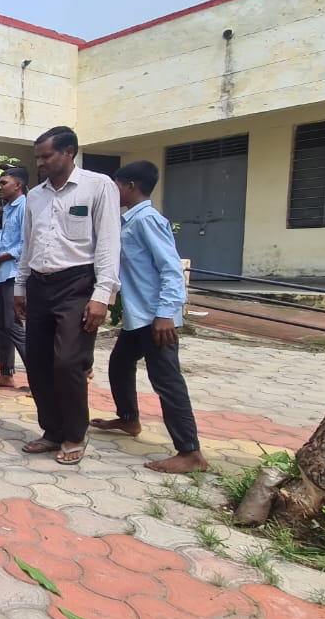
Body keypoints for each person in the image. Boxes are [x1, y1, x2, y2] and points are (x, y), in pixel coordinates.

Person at [90, 162, 206, 474]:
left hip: (156, 318)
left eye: (115, 185)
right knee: (119, 363)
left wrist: (166, 314)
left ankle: (190, 453)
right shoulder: (128, 221)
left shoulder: (148, 220)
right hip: (138, 317)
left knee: (168, 383)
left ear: (129, 186)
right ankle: (129, 419)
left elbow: (170, 269)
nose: (112, 192)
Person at [14, 126, 120, 465]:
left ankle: (75, 433)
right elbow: (27, 245)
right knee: (39, 362)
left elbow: (108, 244)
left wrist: (102, 294)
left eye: (47, 156)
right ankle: (52, 431)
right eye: (38, 157)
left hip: (78, 284)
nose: (41, 163)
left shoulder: (98, 186)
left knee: (68, 362)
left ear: (69, 152)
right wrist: (20, 286)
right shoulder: (35, 196)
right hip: (39, 284)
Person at [0, 167, 30, 389]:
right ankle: (6, 373)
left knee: (13, 325)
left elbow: (24, 244)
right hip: (1, 274)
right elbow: (6, 242)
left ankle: (39, 379)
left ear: (18, 185)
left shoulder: (25, 207)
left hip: (14, 274)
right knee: (2, 326)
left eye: (4, 183)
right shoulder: (8, 208)